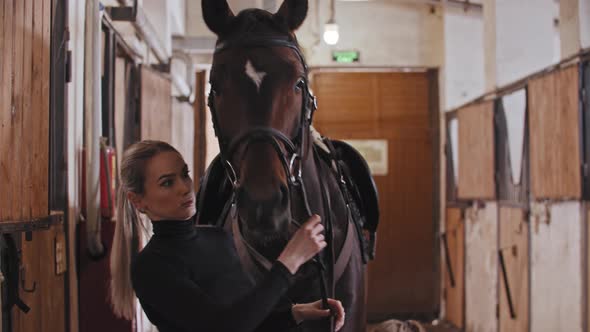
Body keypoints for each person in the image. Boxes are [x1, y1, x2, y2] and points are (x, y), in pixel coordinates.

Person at [109, 140, 345, 332]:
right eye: (167, 183)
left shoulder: (217, 238)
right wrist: (290, 261)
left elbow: (248, 319)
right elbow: (224, 327)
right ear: (138, 201)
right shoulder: (152, 266)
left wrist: (297, 312)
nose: (184, 187)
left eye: (184, 174)